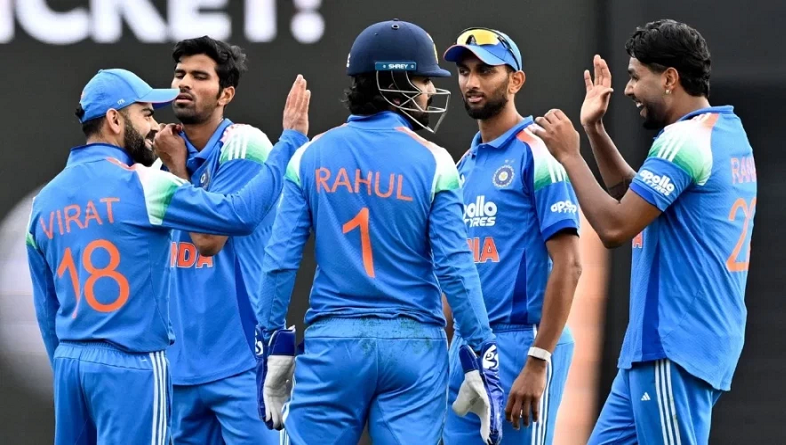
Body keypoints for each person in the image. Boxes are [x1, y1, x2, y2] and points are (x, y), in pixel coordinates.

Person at [25, 68, 305, 445]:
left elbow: (47, 309)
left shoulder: (43, 202)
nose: (156, 126)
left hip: (69, 364)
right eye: (145, 114)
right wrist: (289, 142)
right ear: (114, 120)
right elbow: (238, 215)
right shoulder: (143, 183)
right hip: (135, 362)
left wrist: (65, 367)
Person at [256, 19, 503, 445]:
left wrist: (268, 341)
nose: (431, 91)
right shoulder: (436, 161)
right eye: (424, 80)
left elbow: (279, 262)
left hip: (334, 345)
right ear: (395, 82)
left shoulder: (310, 155)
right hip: (414, 348)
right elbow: (455, 268)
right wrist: (483, 352)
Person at [531, 19, 757, 445]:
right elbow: (636, 200)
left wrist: (570, 156)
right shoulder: (726, 132)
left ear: (669, 78)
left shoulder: (684, 139)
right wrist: (595, 131)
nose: (628, 89)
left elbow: (616, 226)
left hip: (672, 346)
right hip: (659, 349)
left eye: (636, 77)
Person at [155, 36, 310, 445]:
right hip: (179, 370)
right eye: (179, 74)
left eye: (199, 76)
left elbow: (209, 238)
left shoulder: (243, 143)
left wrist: (177, 170)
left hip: (242, 363)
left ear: (226, 94)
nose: (184, 83)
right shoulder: (161, 159)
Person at [440, 28, 582, 445]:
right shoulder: (462, 166)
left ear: (516, 80)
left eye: (485, 71)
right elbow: (454, 271)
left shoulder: (538, 152)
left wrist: (538, 359)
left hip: (522, 343)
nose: (472, 82)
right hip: (465, 347)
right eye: (465, 71)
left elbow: (570, 263)